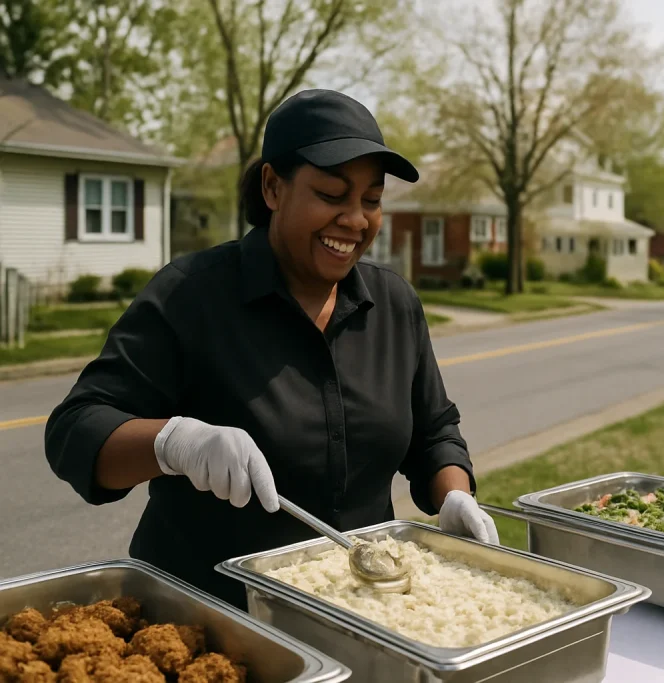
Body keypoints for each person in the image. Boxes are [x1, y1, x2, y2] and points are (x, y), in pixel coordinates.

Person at [44, 89, 498, 609]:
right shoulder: (192, 295)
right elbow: (74, 430)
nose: (355, 220)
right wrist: (173, 443)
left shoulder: (393, 304)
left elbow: (434, 431)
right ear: (272, 187)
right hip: (209, 617)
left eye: (371, 200)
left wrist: (453, 494)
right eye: (331, 195)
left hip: (361, 615)